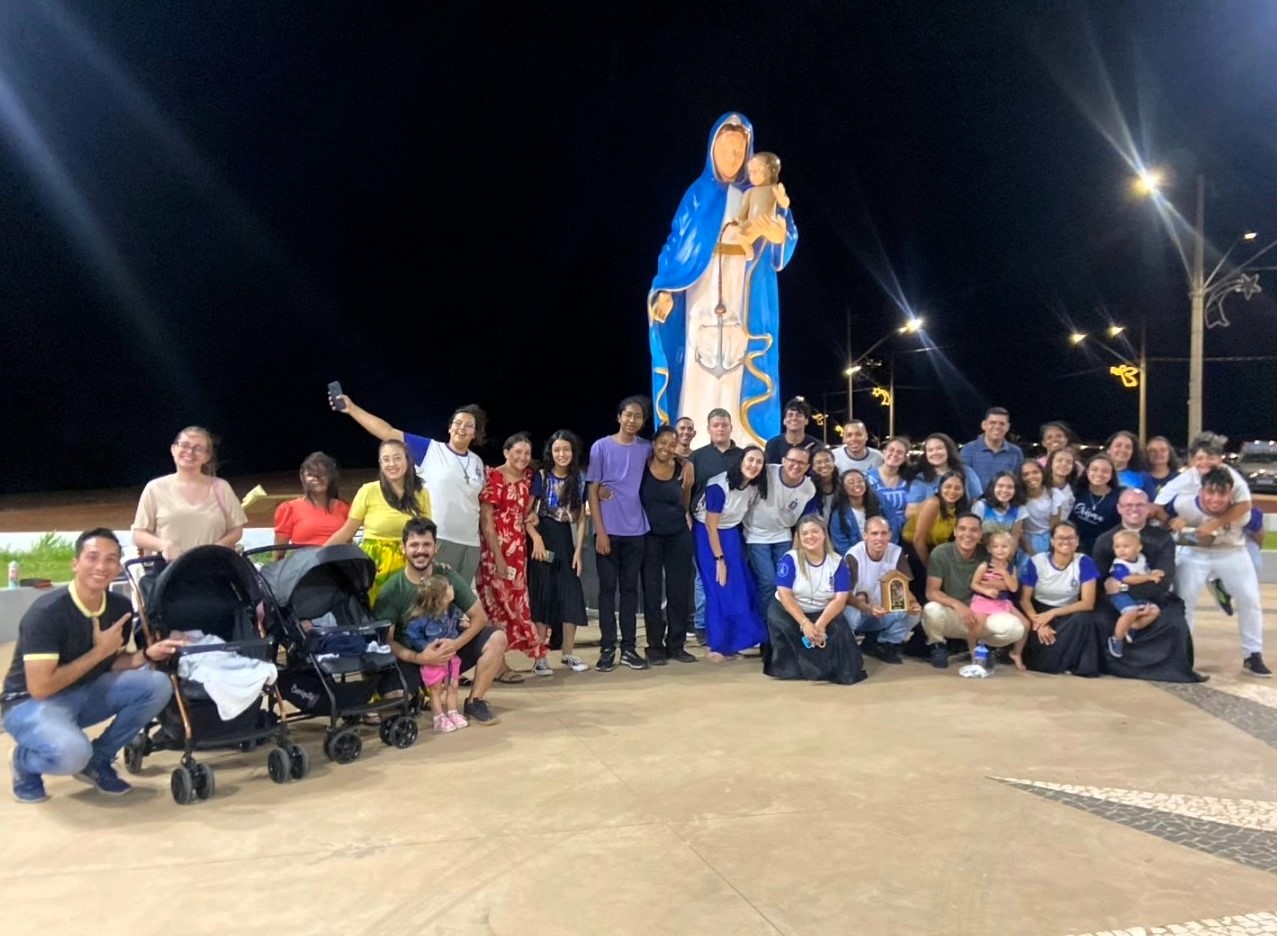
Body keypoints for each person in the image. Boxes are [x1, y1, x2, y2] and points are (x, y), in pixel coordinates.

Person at [648, 112, 797, 444]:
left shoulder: (763, 194)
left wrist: (780, 232)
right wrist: (667, 287)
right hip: (699, 285)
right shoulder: (697, 194)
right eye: (725, 149)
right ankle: (692, 441)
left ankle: (743, 443)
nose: (732, 158)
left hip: (743, 289)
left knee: (741, 360)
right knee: (696, 366)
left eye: (738, 151)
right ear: (711, 151)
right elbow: (676, 243)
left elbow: (784, 239)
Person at [3, 529, 181, 802]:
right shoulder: (47, 613)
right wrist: (98, 652)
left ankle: (97, 761)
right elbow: (40, 688)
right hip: (27, 704)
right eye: (92, 557)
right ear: (75, 563)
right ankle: (24, 762)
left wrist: (147, 655)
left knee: (156, 685)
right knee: (72, 754)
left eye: (110, 559)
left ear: (118, 566)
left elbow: (112, 664)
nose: (101, 566)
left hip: (83, 691)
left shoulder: (119, 607)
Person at [331, 392, 487, 583]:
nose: (461, 428)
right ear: (449, 427)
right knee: (436, 600)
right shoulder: (430, 450)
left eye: (469, 425)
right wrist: (351, 409)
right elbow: (387, 432)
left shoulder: (477, 462)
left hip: (470, 542)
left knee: (461, 604)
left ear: (475, 433)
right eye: (457, 422)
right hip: (442, 539)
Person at [373, 518, 508, 727]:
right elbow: (387, 641)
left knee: (497, 637)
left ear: (435, 548)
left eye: (426, 544)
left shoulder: (447, 576)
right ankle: (417, 696)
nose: (420, 551)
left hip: (448, 652)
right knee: (392, 711)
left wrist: (454, 645)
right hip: (411, 658)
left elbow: (479, 617)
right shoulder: (393, 589)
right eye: (414, 545)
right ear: (403, 548)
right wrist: (420, 657)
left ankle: (475, 701)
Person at [1163, 467, 1269, 677]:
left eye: (1223, 493)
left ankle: (1253, 653)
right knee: (1184, 601)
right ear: (1200, 491)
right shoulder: (1182, 504)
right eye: (1210, 492)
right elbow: (1160, 516)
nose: (1216, 499)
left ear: (1232, 494)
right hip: (1193, 552)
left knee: (1250, 599)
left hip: (1231, 551)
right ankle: (1181, 652)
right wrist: (1170, 523)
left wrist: (1254, 549)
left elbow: (1259, 533)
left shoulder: (1243, 513)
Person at [1091, 490, 1204, 684]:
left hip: (1154, 597)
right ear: (1119, 509)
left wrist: (1143, 601)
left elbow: (1164, 577)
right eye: (1128, 505)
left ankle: (1170, 669)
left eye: (1139, 505)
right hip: (1114, 602)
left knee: (1175, 621)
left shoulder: (1162, 539)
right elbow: (1101, 583)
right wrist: (1125, 595)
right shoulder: (1105, 540)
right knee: (1098, 620)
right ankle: (1112, 658)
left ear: (1148, 508)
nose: (1134, 509)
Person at [587, 397, 653, 672]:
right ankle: (606, 648)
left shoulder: (646, 448)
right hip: (608, 531)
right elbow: (592, 489)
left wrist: (685, 465)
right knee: (606, 591)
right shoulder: (601, 447)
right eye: (628, 415)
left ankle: (628, 648)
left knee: (629, 591)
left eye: (638, 416)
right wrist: (600, 532)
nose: (632, 420)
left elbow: (667, 458)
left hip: (636, 530)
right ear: (619, 417)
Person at [324, 439, 431, 602]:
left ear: (407, 460)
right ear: (380, 463)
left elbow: (427, 534)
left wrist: (433, 563)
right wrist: (318, 555)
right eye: (386, 459)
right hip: (374, 566)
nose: (392, 464)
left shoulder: (421, 493)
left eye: (397, 458)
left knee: (409, 616)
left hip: (410, 564)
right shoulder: (368, 490)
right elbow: (347, 531)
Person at [763, 517, 866, 684]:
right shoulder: (790, 559)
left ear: (824, 534)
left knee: (846, 662)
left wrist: (820, 625)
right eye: (805, 533)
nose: (810, 537)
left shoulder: (837, 562)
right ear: (799, 538)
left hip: (823, 611)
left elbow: (840, 599)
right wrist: (805, 623)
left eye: (815, 531)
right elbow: (784, 594)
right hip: (790, 611)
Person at [922, 513, 1026, 669]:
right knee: (931, 609)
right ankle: (938, 646)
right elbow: (932, 592)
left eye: (973, 530)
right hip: (955, 615)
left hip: (984, 614)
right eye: (962, 529)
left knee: (1016, 629)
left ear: (980, 535)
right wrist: (958, 605)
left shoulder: (990, 553)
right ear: (955, 531)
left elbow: (1011, 584)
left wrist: (999, 585)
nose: (967, 534)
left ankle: (983, 647)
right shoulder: (941, 553)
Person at [693, 446, 768, 661]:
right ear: (741, 461)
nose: (754, 465)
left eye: (758, 462)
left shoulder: (753, 487)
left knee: (741, 585)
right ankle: (717, 644)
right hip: (709, 535)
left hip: (731, 533)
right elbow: (710, 524)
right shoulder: (719, 485)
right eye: (750, 460)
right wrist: (719, 560)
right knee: (718, 588)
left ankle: (741, 640)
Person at [478, 433, 543, 679]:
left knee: (514, 605)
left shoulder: (528, 478)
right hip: (495, 551)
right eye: (517, 452)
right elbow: (487, 520)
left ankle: (497, 663)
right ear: (506, 453)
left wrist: (533, 518)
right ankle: (498, 665)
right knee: (496, 604)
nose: (523, 457)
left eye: (527, 453)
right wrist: (498, 557)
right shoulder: (494, 477)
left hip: (518, 550)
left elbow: (525, 512)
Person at [132, 426, 247, 562]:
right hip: (170, 570)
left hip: (214, 568)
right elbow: (138, 534)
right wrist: (165, 546)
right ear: (173, 449)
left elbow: (236, 529)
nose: (190, 452)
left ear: (207, 456)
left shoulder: (221, 487)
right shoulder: (155, 488)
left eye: (198, 449)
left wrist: (215, 549)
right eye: (184, 445)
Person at [527, 431, 590, 673]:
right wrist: (537, 541)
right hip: (542, 536)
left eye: (566, 450)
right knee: (543, 596)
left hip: (565, 537)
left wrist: (578, 551)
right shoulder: (541, 477)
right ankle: (539, 658)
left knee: (570, 594)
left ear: (573, 453)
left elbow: (582, 518)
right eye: (557, 450)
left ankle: (568, 654)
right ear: (550, 453)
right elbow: (527, 514)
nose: (562, 454)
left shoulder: (580, 479)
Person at [639, 426, 696, 665]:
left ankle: (677, 645)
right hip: (649, 536)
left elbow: (685, 500)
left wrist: (686, 516)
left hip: (678, 536)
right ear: (653, 443)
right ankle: (654, 646)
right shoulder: (641, 466)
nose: (667, 448)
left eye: (672, 445)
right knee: (652, 591)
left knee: (679, 591)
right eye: (662, 443)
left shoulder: (684, 469)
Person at [688, 408, 745, 645]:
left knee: (733, 575)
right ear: (709, 429)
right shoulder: (697, 457)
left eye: (724, 424)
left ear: (731, 427)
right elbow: (686, 490)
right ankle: (703, 625)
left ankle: (732, 625)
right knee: (706, 577)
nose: (720, 429)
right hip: (703, 526)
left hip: (734, 527)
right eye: (715, 425)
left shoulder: (743, 456)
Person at [1019, 522, 1101, 677]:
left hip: (1068, 612)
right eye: (1060, 538)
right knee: (1040, 639)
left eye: (1070, 538)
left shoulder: (1084, 562)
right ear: (1052, 541)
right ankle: (1049, 664)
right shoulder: (1037, 561)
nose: (1066, 542)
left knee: (1083, 619)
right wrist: (1038, 623)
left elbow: (1088, 603)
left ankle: (1070, 665)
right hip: (1038, 612)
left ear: (1077, 541)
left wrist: (1054, 613)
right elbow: (1024, 600)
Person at [744, 445, 818, 615]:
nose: (796, 465)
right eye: (792, 460)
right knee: (768, 581)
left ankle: (781, 624)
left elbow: (804, 522)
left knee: (786, 582)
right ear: (783, 461)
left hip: (783, 535)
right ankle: (765, 625)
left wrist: (796, 548)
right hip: (756, 535)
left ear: (807, 467)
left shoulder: (809, 488)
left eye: (802, 463)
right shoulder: (766, 472)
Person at [842, 516, 920, 664]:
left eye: (884, 533)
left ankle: (885, 643)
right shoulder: (853, 555)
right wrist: (868, 608)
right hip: (858, 608)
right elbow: (845, 595)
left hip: (883, 609)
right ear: (865, 535)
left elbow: (903, 588)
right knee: (850, 615)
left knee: (913, 614)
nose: (879, 538)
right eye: (874, 533)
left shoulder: (897, 552)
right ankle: (848, 647)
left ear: (890, 535)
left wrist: (913, 603)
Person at [401, 577, 468, 733]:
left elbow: (455, 626)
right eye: (448, 587)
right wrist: (426, 649)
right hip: (433, 660)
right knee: (436, 690)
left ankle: (453, 712)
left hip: (451, 657)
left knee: (453, 686)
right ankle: (439, 717)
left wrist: (461, 626)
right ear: (442, 597)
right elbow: (413, 634)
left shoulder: (453, 611)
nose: (452, 587)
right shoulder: (423, 618)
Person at [970, 532, 1030, 669]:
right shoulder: (985, 566)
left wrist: (1004, 573)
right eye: (995, 546)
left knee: (1026, 624)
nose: (1000, 550)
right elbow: (974, 584)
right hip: (983, 601)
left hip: (1002, 602)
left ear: (1011, 549)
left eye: (1004, 546)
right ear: (989, 549)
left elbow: (1014, 588)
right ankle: (973, 652)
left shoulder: (1011, 567)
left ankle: (1016, 653)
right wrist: (986, 591)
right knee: (977, 627)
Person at [272, 451, 350, 557]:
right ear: (302, 477)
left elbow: (349, 545)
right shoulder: (289, 508)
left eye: (321, 474)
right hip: (304, 568)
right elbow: (279, 551)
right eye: (310, 474)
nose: (316, 478)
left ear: (331, 477)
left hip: (338, 566)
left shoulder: (345, 508)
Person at [903, 471, 970, 587]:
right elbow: (918, 540)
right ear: (940, 488)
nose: (952, 491)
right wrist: (930, 568)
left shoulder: (959, 507)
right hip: (917, 553)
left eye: (957, 488)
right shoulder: (933, 503)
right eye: (948, 487)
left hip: (938, 552)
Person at [1104, 529, 1164, 659]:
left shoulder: (1141, 559)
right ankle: (1117, 638)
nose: (1121, 550)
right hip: (1121, 595)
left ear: (1139, 548)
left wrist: (1155, 572)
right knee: (1131, 611)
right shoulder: (1119, 565)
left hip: (1137, 595)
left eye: (1126, 546)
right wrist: (1149, 577)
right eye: (1117, 547)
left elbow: (1145, 571)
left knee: (1154, 611)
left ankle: (1131, 627)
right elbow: (1128, 579)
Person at [906, 433, 982, 517]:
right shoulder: (921, 479)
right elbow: (910, 513)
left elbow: (977, 502)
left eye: (939, 448)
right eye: (930, 450)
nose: (935, 453)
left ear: (948, 450)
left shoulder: (966, 472)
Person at [732, 151, 790, 261]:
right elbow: (743, 211)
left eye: (757, 171)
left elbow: (784, 204)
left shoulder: (774, 189)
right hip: (752, 223)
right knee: (740, 236)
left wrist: (782, 199)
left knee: (776, 236)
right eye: (750, 173)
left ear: (771, 171)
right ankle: (749, 251)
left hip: (769, 222)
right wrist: (738, 220)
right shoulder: (749, 192)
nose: (752, 176)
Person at [1066, 454, 1121, 555]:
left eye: (1105, 471)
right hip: (1072, 547)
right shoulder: (1076, 491)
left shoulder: (1119, 498)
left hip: (1101, 551)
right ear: (1087, 471)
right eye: (1094, 469)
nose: (1099, 474)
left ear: (1111, 475)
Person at [959, 407, 1024, 491]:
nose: (997, 427)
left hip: (1005, 501)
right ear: (984, 425)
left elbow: (1018, 483)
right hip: (974, 502)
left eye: (1002, 424)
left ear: (1008, 427)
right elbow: (962, 479)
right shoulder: (969, 449)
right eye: (992, 423)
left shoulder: (1016, 452)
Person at [829, 469, 883, 556]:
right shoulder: (838, 515)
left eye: (860, 481)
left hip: (882, 554)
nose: (857, 484)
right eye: (851, 482)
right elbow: (841, 545)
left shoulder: (879, 502)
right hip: (854, 559)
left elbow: (892, 527)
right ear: (843, 488)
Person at [866, 436, 910, 542]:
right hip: (876, 535)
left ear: (904, 458)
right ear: (884, 452)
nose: (894, 454)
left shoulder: (909, 481)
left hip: (904, 536)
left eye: (899, 452)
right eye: (891, 450)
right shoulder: (867, 478)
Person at [763, 397, 822, 465]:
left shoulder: (816, 446)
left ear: (806, 421)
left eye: (799, 415)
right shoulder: (772, 445)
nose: (794, 418)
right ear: (784, 421)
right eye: (790, 415)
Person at [971, 471, 1026, 543]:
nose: (1004, 490)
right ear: (993, 487)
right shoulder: (981, 506)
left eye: (1010, 487)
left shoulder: (1019, 509)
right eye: (1000, 486)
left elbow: (1014, 539)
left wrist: (1007, 554)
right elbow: (973, 534)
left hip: (1006, 551)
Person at [1019, 460, 1057, 561]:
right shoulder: (1018, 498)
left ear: (1042, 474)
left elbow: (1055, 526)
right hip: (1025, 542)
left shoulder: (1054, 494)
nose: (1031, 477)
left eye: (1035, 472)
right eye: (1025, 474)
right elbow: (1018, 530)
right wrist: (1032, 553)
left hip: (1049, 541)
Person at [1105, 430, 1154, 499]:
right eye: (1118, 445)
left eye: (1128, 447)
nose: (1123, 450)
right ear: (1108, 450)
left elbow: (1150, 504)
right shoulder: (1097, 473)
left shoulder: (1142, 476)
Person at [810, 448, 839, 523]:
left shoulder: (842, 484)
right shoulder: (808, 486)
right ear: (813, 467)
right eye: (818, 462)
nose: (823, 465)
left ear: (834, 462)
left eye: (827, 461)